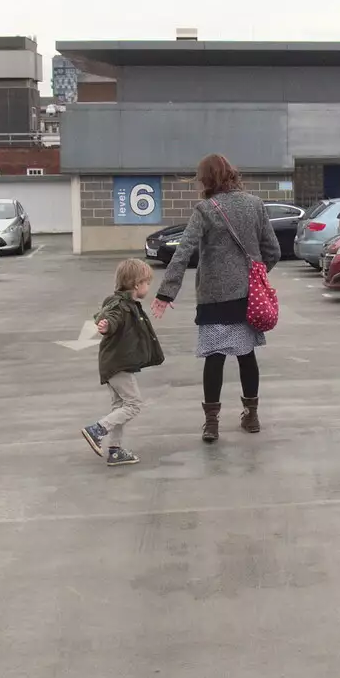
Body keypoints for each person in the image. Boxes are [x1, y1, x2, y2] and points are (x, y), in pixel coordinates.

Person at [152, 153, 279, 441]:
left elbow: (182, 252)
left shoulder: (205, 209)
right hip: (247, 296)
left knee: (215, 358)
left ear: (207, 179)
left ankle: (211, 424)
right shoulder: (255, 205)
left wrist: (166, 292)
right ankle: (252, 416)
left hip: (213, 298)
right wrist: (254, 276)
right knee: (247, 356)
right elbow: (273, 251)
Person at [82, 258, 165, 466]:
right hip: (118, 364)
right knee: (134, 404)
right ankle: (97, 429)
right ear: (137, 284)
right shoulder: (120, 305)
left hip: (115, 363)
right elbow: (110, 317)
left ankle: (115, 450)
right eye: (147, 283)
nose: (148, 287)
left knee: (119, 406)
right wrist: (105, 325)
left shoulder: (127, 304)